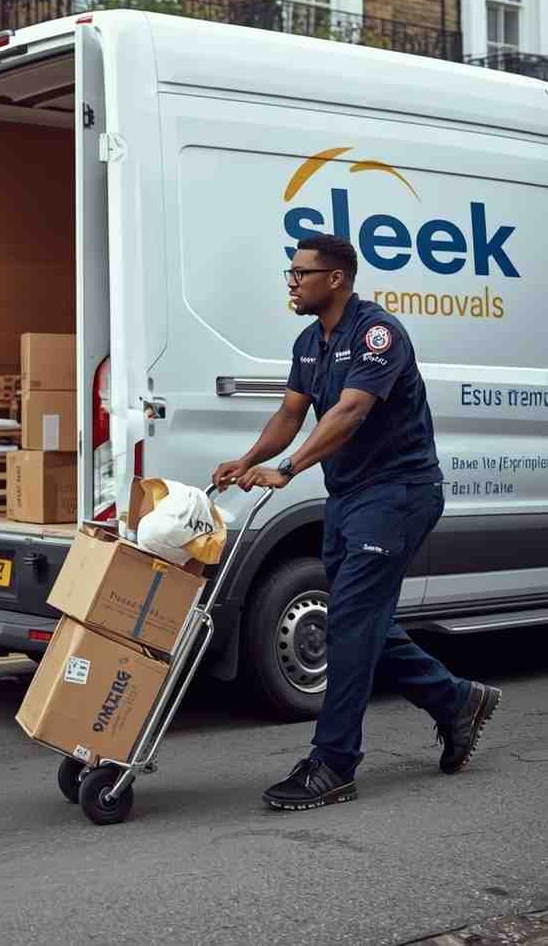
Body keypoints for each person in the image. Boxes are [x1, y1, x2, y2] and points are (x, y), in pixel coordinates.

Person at [214, 234, 500, 811]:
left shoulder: (377, 334)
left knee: (352, 623)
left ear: (336, 278)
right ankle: (457, 702)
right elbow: (291, 411)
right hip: (349, 495)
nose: (291, 282)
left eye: (300, 273)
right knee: (361, 619)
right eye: (288, 273)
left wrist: (288, 469)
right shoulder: (308, 340)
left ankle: (334, 763)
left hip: (397, 493)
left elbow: (350, 409)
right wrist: (249, 459)